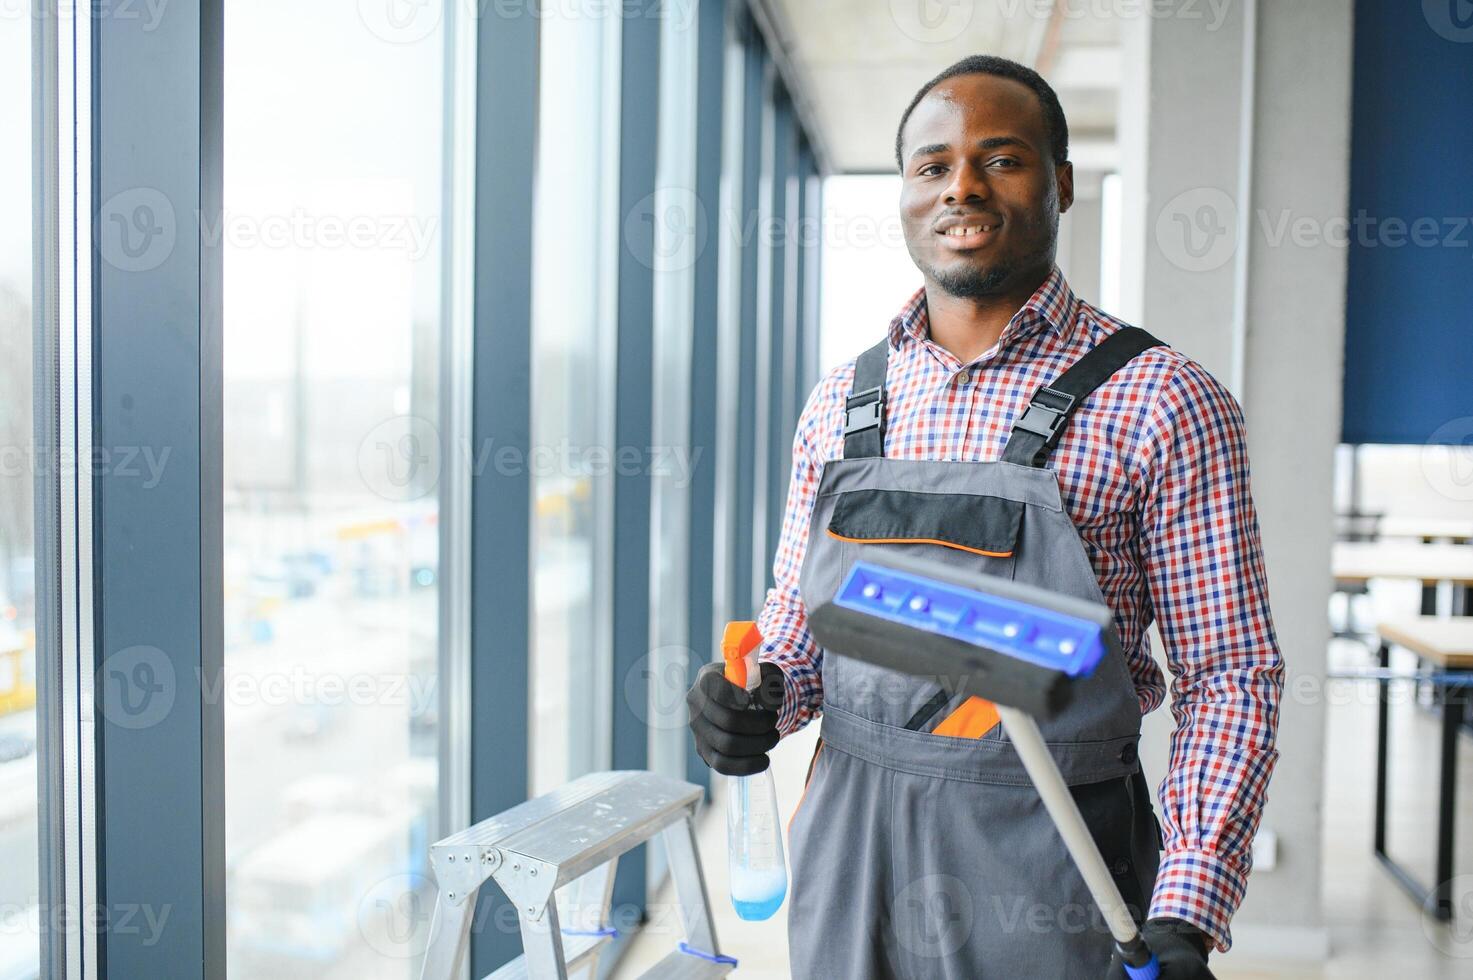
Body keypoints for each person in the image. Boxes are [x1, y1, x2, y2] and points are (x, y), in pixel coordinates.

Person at [687, 54, 1282, 979]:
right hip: (850, 848)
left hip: (1057, 859)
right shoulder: (842, 402)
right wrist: (758, 697)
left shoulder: (1160, 399)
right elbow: (801, 631)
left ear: (1062, 183)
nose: (960, 185)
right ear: (904, 194)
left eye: (1000, 159)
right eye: (931, 165)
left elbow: (1230, 677)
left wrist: (1189, 906)